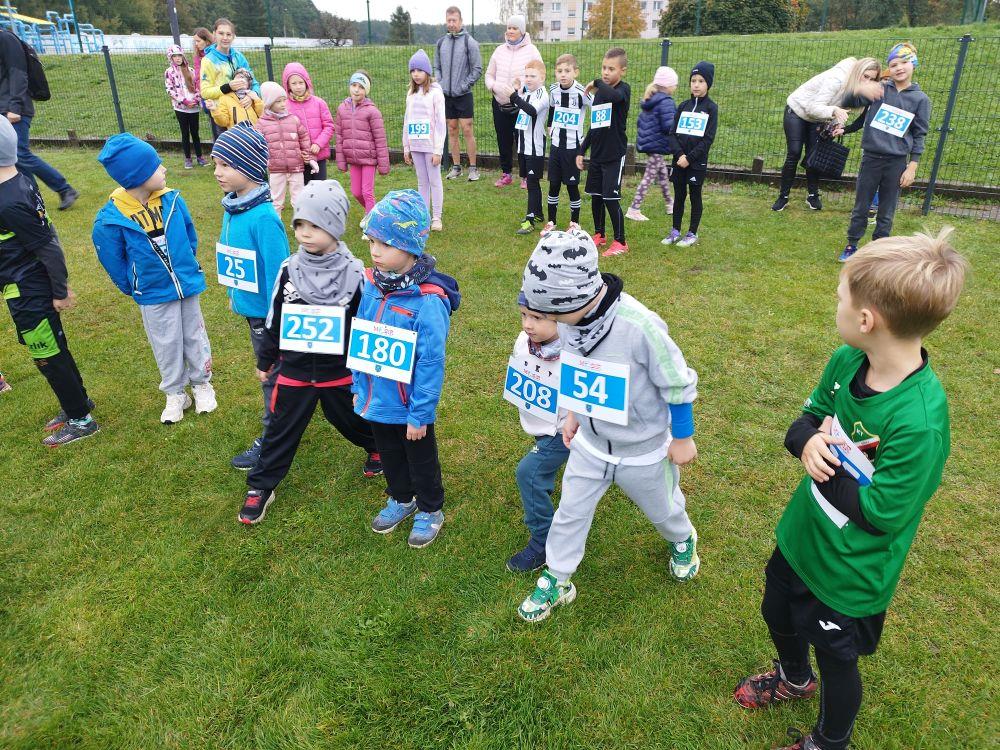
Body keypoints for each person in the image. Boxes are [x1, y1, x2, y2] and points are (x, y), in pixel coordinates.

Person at [734, 228, 967, 750]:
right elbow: (806, 421)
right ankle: (794, 678)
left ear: (866, 320)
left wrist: (828, 459)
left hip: (851, 572)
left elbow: (881, 513)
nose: (835, 306)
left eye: (840, 298)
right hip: (803, 536)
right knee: (776, 610)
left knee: (836, 658)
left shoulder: (919, 421)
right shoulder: (847, 361)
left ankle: (829, 742)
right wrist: (805, 441)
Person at [515, 229, 700, 623]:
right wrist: (573, 412)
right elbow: (576, 367)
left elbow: (677, 382)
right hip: (590, 446)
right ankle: (558, 577)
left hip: (642, 450)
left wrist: (683, 437)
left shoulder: (640, 327)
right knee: (570, 512)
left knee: (663, 509)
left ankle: (682, 538)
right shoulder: (570, 321)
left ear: (577, 298)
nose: (549, 323)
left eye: (552, 314)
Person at [239, 181, 382, 525]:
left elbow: (365, 323)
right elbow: (275, 316)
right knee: (280, 428)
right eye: (299, 224)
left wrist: (365, 366)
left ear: (334, 226)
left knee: (350, 419)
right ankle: (261, 485)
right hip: (294, 370)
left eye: (315, 225)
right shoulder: (289, 269)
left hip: (338, 372)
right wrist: (266, 359)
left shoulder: (355, 274)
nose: (304, 233)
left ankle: (376, 447)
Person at [354, 189, 461, 549]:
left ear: (410, 246)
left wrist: (420, 414)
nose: (375, 251)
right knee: (389, 453)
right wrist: (358, 385)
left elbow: (430, 362)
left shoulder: (428, 301)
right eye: (372, 241)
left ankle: (430, 508)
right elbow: (362, 338)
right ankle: (401, 498)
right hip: (376, 397)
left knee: (420, 458)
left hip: (409, 404)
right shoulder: (372, 284)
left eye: (385, 244)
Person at [93, 134, 216, 425]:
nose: (164, 169)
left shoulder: (173, 200)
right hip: (152, 293)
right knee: (165, 343)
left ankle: (202, 384)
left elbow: (190, 237)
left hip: (186, 284)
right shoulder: (111, 217)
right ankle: (175, 393)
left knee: (194, 335)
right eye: (156, 165)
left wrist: (186, 266)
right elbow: (112, 259)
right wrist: (135, 284)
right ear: (137, 175)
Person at [0, 117, 96, 446]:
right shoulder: (19, 179)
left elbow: (48, 246)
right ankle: (79, 403)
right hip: (25, 286)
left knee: (48, 356)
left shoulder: (9, 202)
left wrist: (60, 290)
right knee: (56, 349)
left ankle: (82, 421)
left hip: (29, 290)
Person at [210, 124, 290, 470]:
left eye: (225, 165)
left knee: (270, 375)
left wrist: (274, 325)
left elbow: (280, 277)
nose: (217, 172)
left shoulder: (264, 218)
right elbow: (235, 260)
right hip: (252, 313)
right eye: (216, 164)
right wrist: (235, 294)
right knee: (279, 375)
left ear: (249, 166)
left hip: (267, 320)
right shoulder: (234, 208)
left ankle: (273, 437)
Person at [837, 43, 930, 263]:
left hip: (896, 163)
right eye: (894, 64)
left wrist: (912, 166)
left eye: (904, 62)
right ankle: (852, 245)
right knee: (861, 206)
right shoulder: (879, 90)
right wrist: (858, 90)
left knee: (886, 211)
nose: (899, 68)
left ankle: (879, 249)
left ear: (913, 64)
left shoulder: (921, 100)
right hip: (871, 159)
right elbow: (847, 103)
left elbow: (919, 134)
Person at [505, 294, 570, 573]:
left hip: (564, 431)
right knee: (541, 468)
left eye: (538, 318)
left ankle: (543, 542)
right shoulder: (524, 340)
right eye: (524, 315)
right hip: (542, 427)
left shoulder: (573, 353)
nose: (527, 324)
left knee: (528, 473)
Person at [773, 57, 882, 213]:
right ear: (858, 71)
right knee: (794, 152)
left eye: (871, 79)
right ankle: (783, 197)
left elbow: (841, 107)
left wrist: (837, 124)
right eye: (865, 76)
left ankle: (812, 195)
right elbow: (812, 108)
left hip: (819, 117)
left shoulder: (857, 89)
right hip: (798, 111)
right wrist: (834, 111)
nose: (867, 82)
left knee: (814, 155)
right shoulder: (837, 79)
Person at [0, 29, 78, 210]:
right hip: (3, 109)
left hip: (15, 109)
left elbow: (18, 72)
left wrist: (15, 107)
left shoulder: (5, 38)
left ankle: (64, 189)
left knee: (19, 153)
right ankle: (32, 198)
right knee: (15, 160)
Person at [576, 47, 631, 257]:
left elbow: (615, 97)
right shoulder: (599, 95)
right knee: (596, 196)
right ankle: (600, 234)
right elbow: (595, 126)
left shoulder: (623, 90)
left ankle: (621, 241)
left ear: (622, 71)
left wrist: (597, 82)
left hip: (614, 155)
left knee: (610, 198)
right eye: (603, 68)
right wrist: (582, 150)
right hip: (597, 155)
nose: (606, 72)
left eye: (611, 69)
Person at [664, 61, 718, 249]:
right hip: (679, 161)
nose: (696, 85)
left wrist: (690, 158)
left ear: (708, 84)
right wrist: (680, 155)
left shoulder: (711, 108)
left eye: (701, 81)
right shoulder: (683, 106)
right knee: (679, 195)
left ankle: (692, 233)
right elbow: (672, 134)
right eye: (693, 81)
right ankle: (675, 231)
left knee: (695, 196)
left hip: (696, 163)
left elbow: (708, 139)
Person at [484, 15, 541, 188]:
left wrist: (522, 92)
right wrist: (494, 86)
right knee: (503, 140)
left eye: (515, 28)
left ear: (522, 31)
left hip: (521, 105)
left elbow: (539, 76)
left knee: (523, 140)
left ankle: (525, 176)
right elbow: (489, 75)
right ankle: (506, 174)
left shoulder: (532, 51)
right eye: (509, 27)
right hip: (499, 103)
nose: (510, 31)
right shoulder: (499, 51)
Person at [540, 53, 590, 234]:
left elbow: (597, 106)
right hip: (556, 147)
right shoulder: (554, 90)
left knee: (571, 186)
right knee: (553, 184)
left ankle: (574, 223)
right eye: (559, 71)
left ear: (575, 72)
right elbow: (553, 107)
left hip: (573, 148)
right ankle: (551, 221)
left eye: (567, 71)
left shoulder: (582, 92)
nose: (563, 74)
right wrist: (550, 125)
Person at [434, 6, 482, 182]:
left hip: (464, 95)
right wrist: (440, 83)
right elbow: (436, 67)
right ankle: (456, 168)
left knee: (467, 130)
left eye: (454, 20)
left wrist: (464, 86)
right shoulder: (441, 43)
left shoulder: (470, 42)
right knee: (452, 130)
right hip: (446, 95)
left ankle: (473, 169)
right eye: (449, 20)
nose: (451, 23)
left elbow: (477, 69)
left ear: (461, 21)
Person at [255, 81, 316, 214]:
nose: (283, 104)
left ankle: (300, 223)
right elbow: (257, 144)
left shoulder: (293, 119)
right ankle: (275, 224)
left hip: (296, 167)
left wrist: (306, 154)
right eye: (278, 101)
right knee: (276, 200)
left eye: (284, 100)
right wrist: (265, 161)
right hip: (276, 169)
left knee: (298, 199)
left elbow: (304, 136)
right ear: (269, 103)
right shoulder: (261, 124)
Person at [333, 70, 389, 215]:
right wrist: (341, 161)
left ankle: (370, 222)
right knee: (356, 192)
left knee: (367, 192)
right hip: (353, 159)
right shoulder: (342, 109)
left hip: (369, 159)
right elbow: (339, 136)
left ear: (366, 90)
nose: (356, 90)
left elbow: (380, 139)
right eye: (354, 85)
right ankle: (374, 212)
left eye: (361, 87)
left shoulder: (373, 111)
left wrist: (383, 165)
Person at [402, 51, 446, 232]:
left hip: (430, 146)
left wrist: (438, 150)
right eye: (413, 70)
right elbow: (407, 120)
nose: (416, 74)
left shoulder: (436, 93)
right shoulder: (411, 93)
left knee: (434, 181)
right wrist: (406, 146)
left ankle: (436, 217)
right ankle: (423, 216)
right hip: (416, 145)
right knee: (422, 182)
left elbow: (440, 123)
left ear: (427, 71)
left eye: (420, 70)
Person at [627, 66, 678, 222]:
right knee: (649, 177)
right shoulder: (666, 102)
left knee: (662, 173)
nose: (676, 87)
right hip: (657, 144)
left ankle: (670, 204)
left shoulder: (651, 99)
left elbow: (641, 122)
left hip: (651, 143)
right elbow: (668, 125)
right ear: (668, 86)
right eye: (675, 84)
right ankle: (634, 208)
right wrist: (678, 126)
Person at [505, 59, 549, 234]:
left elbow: (531, 110)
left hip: (535, 147)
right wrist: (517, 92)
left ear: (542, 78)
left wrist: (514, 96)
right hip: (523, 146)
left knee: (532, 182)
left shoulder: (542, 95)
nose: (528, 79)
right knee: (531, 182)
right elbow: (519, 107)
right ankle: (538, 214)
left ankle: (530, 220)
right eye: (526, 76)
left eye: (533, 76)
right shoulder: (527, 93)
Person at [283, 62, 335, 183]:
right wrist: (299, 152)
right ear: (288, 85)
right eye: (294, 83)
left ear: (306, 82)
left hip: (319, 156)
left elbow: (329, 126)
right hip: (300, 159)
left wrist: (318, 144)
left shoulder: (319, 103)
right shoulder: (285, 107)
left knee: (320, 188)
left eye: (301, 82)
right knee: (304, 190)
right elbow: (285, 133)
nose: (298, 86)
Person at [199, 18, 261, 114]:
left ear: (233, 36)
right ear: (214, 34)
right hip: (221, 113)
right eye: (221, 33)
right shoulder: (208, 60)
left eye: (228, 34)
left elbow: (254, 83)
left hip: (243, 111)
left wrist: (251, 96)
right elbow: (205, 92)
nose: (225, 38)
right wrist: (228, 87)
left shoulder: (239, 57)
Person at [163, 45, 206, 169]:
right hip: (180, 108)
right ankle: (188, 159)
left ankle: (200, 157)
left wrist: (196, 99)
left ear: (183, 56)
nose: (177, 58)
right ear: (170, 58)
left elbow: (198, 86)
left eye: (179, 55)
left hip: (194, 107)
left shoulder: (191, 70)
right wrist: (184, 101)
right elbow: (170, 90)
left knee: (195, 133)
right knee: (185, 133)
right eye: (174, 56)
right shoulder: (169, 72)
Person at [191, 27, 219, 142]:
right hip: (206, 96)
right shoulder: (198, 56)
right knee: (214, 127)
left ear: (206, 40)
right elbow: (198, 77)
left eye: (198, 41)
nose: (196, 44)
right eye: (195, 41)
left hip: (218, 94)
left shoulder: (215, 54)